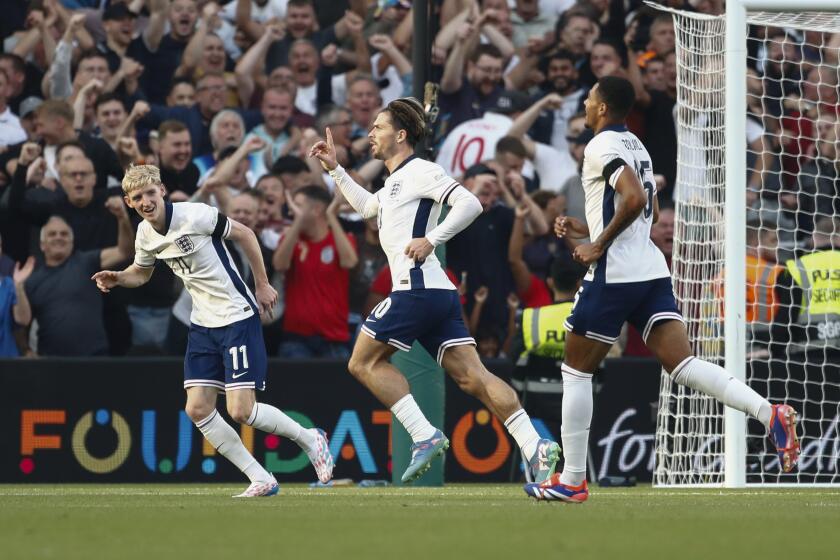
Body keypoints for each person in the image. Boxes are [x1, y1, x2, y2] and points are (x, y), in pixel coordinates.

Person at [524, 76, 800, 503]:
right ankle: (770, 413)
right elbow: (642, 209)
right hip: (650, 269)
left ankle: (572, 479)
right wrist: (587, 228)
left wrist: (597, 243)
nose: (584, 102)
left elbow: (634, 200)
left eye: (590, 97)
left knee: (575, 370)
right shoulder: (636, 145)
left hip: (614, 274)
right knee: (684, 364)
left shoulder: (601, 145)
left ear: (602, 108)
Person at [309, 97, 561, 484]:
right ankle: (535, 445)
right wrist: (337, 171)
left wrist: (431, 238)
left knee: (362, 362)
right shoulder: (395, 180)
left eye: (378, 127)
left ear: (401, 134)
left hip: (416, 290)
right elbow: (367, 208)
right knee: (472, 377)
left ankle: (424, 434)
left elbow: (470, 203)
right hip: (437, 294)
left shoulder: (421, 170)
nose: (371, 133)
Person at [92, 164, 334, 497]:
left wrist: (261, 285)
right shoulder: (145, 234)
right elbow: (141, 272)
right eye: (138, 197)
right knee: (197, 408)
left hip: (236, 316)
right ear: (129, 202)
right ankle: (260, 478)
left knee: (241, 411)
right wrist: (119, 277)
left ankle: (311, 439)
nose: (146, 201)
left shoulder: (195, 215)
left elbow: (246, 234)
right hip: (203, 323)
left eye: (150, 193)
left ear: (161, 190)